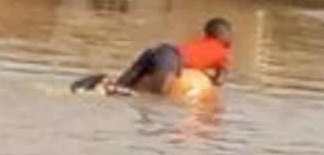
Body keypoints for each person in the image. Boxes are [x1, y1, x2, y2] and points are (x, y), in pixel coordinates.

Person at [89, 17, 232, 96]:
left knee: (124, 85)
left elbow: (193, 56)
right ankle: (113, 89)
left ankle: (106, 82)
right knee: (158, 97)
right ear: (224, 35)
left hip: (158, 51)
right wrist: (209, 76)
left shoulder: (201, 41)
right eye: (230, 35)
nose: (231, 39)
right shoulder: (224, 52)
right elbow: (220, 81)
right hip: (170, 58)